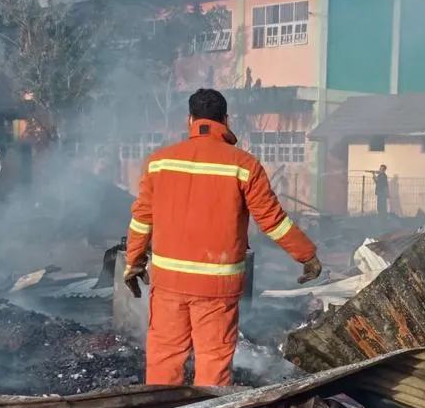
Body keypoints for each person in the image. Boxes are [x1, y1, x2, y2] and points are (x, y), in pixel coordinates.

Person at [123, 89, 323, 387]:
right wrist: (307, 255)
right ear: (226, 120)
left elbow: (142, 219)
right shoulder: (244, 166)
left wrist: (134, 262)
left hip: (168, 283)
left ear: (190, 120)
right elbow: (273, 221)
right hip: (217, 286)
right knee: (213, 363)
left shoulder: (159, 162)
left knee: (164, 359)